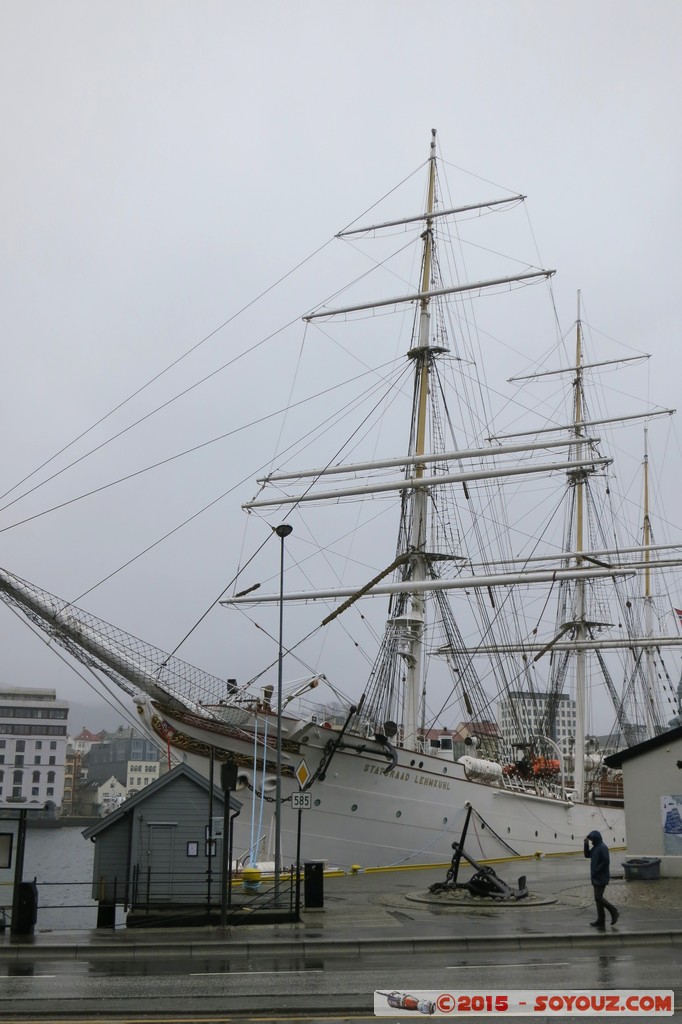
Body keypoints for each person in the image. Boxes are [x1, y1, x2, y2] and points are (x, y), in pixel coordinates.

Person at [584, 829, 619, 930]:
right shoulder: (595, 848)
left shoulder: (602, 847)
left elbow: (606, 861)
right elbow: (587, 855)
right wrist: (586, 844)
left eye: (592, 839)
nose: (591, 841)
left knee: (598, 897)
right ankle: (601, 919)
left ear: (596, 838)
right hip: (596, 876)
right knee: (597, 899)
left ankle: (614, 912)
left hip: (601, 876)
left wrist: (596, 870)